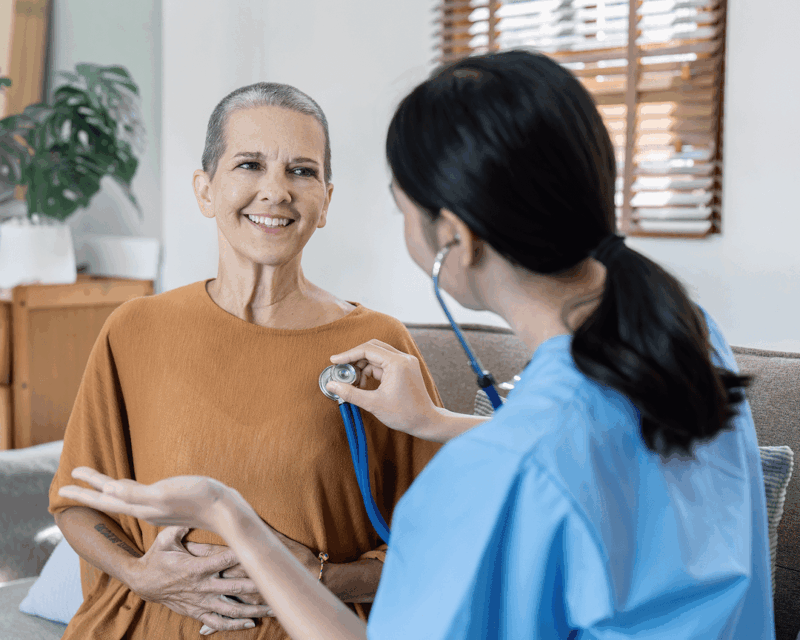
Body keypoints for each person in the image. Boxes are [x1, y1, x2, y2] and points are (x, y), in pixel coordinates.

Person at [59, 50, 776, 639]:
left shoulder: (490, 483)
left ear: (452, 240)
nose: (276, 190)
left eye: (403, 206)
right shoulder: (687, 337)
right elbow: (584, 448)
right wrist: (437, 423)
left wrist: (228, 516)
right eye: (249, 164)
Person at [48, 82, 443, 639]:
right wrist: (142, 574)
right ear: (205, 190)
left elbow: (440, 542)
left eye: (302, 172)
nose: (276, 191)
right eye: (250, 164)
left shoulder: (377, 347)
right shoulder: (134, 328)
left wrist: (317, 578)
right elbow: (75, 504)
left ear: (326, 200)